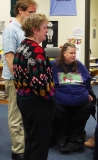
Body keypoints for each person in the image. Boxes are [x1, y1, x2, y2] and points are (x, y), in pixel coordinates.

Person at [13, 13, 55, 160]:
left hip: (23, 100)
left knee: (30, 139)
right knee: (40, 144)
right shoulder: (36, 50)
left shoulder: (22, 46)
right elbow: (39, 84)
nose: (47, 31)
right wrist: (51, 98)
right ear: (35, 29)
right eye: (44, 28)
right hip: (37, 103)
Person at [2, 0, 37, 159]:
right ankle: (18, 151)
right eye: (30, 12)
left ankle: (25, 144)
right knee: (16, 116)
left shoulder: (25, 30)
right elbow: (9, 57)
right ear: (20, 10)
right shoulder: (11, 29)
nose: (32, 15)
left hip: (27, 79)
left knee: (26, 115)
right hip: (16, 80)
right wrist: (19, 80)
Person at [51, 42, 96, 153]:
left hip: (80, 99)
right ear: (63, 53)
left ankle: (76, 134)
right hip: (60, 100)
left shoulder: (78, 65)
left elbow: (87, 81)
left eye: (75, 53)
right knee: (58, 110)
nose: (73, 55)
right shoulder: (53, 65)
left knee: (87, 107)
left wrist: (89, 93)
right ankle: (62, 135)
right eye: (71, 53)